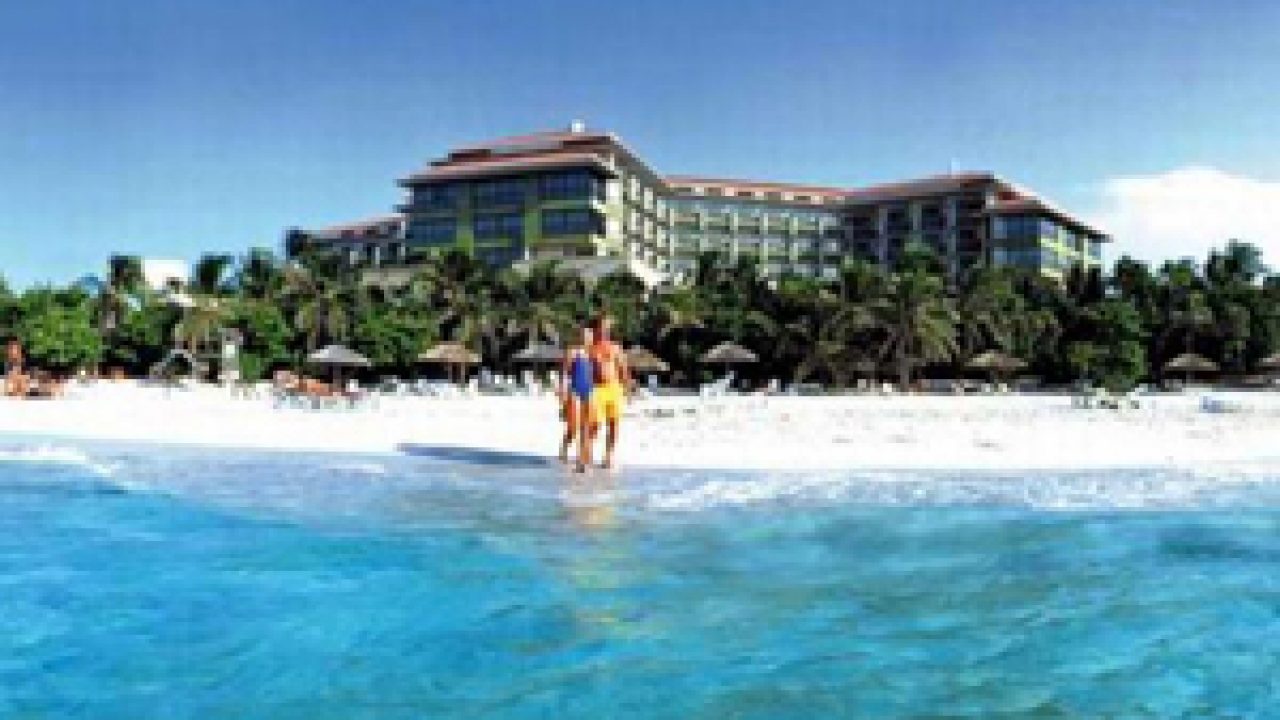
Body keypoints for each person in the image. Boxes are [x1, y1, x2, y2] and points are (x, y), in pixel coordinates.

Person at [588, 314, 631, 470]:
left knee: (614, 424)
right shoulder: (590, 348)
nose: (605, 330)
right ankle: (587, 453)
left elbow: (623, 368)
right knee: (595, 424)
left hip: (614, 388)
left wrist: (627, 389)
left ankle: (608, 456)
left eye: (607, 327)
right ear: (596, 328)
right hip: (596, 389)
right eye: (602, 326)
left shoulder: (615, 347)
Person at [558, 325, 595, 471]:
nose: (586, 338)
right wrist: (562, 391)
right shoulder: (572, 352)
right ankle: (565, 447)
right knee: (573, 427)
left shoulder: (592, 354)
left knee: (586, 426)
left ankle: (582, 461)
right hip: (574, 390)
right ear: (579, 337)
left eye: (589, 336)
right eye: (584, 335)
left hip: (588, 391)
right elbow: (565, 373)